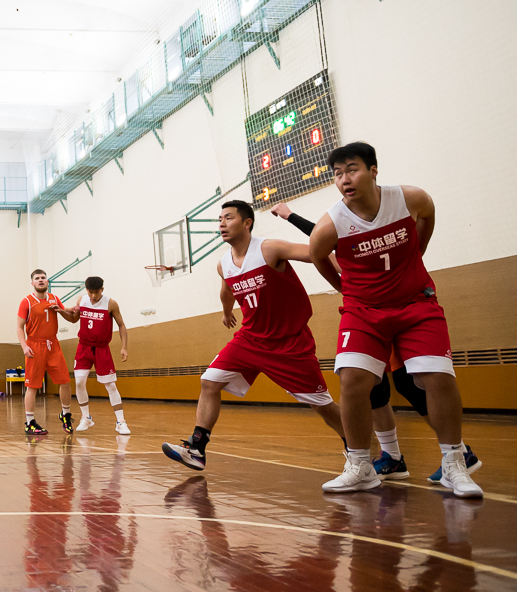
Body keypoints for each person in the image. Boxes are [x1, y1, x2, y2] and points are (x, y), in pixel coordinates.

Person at [309, 142, 482, 497]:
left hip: (415, 303)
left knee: (436, 375)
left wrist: (416, 253)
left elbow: (428, 215)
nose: (345, 179)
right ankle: (360, 466)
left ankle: (454, 464)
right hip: (364, 310)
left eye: (352, 169)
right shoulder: (332, 224)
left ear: (374, 170)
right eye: (338, 174)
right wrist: (345, 287)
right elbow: (316, 254)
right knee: (353, 378)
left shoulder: (410, 199)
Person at [271, 200, 482, 484]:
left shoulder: (379, 227)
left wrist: (290, 215)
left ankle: (459, 452)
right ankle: (391, 456)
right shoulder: (343, 241)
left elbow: (319, 237)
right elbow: (321, 239)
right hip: (366, 314)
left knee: (409, 383)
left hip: (391, 310)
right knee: (371, 387)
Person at [162, 200, 346, 472]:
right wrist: (226, 312)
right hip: (250, 339)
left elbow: (316, 252)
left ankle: (359, 447)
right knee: (209, 381)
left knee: (323, 406)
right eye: (220, 219)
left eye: (229, 218)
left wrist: (354, 270)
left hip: (289, 343)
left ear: (247, 223)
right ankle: (197, 449)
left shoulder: (269, 248)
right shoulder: (223, 264)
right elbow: (227, 290)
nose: (222, 224)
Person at [58, 276, 130, 434]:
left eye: (96, 292)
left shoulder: (111, 303)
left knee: (110, 385)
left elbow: (121, 325)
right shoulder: (81, 300)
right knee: (79, 382)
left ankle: (120, 422)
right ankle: (86, 417)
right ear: (86, 290)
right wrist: (62, 311)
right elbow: (73, 319)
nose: (93, 296)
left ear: (102, 290)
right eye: (90, 292)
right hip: (83, 347)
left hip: (102, 348)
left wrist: (124, 347)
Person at [16, 269, 74, 435]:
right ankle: (30, 422)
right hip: (35, 344)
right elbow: (19, 326)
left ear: (47, 281)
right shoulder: (26, 301)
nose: (41, 280)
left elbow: (69, 318)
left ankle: (66, 413)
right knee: (33, 386)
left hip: (53, 344)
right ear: (32, 283)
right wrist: (24, 346)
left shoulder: (55, 299)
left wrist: (65, 310)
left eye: (43, 278)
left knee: (65, 381)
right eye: (37, 278)